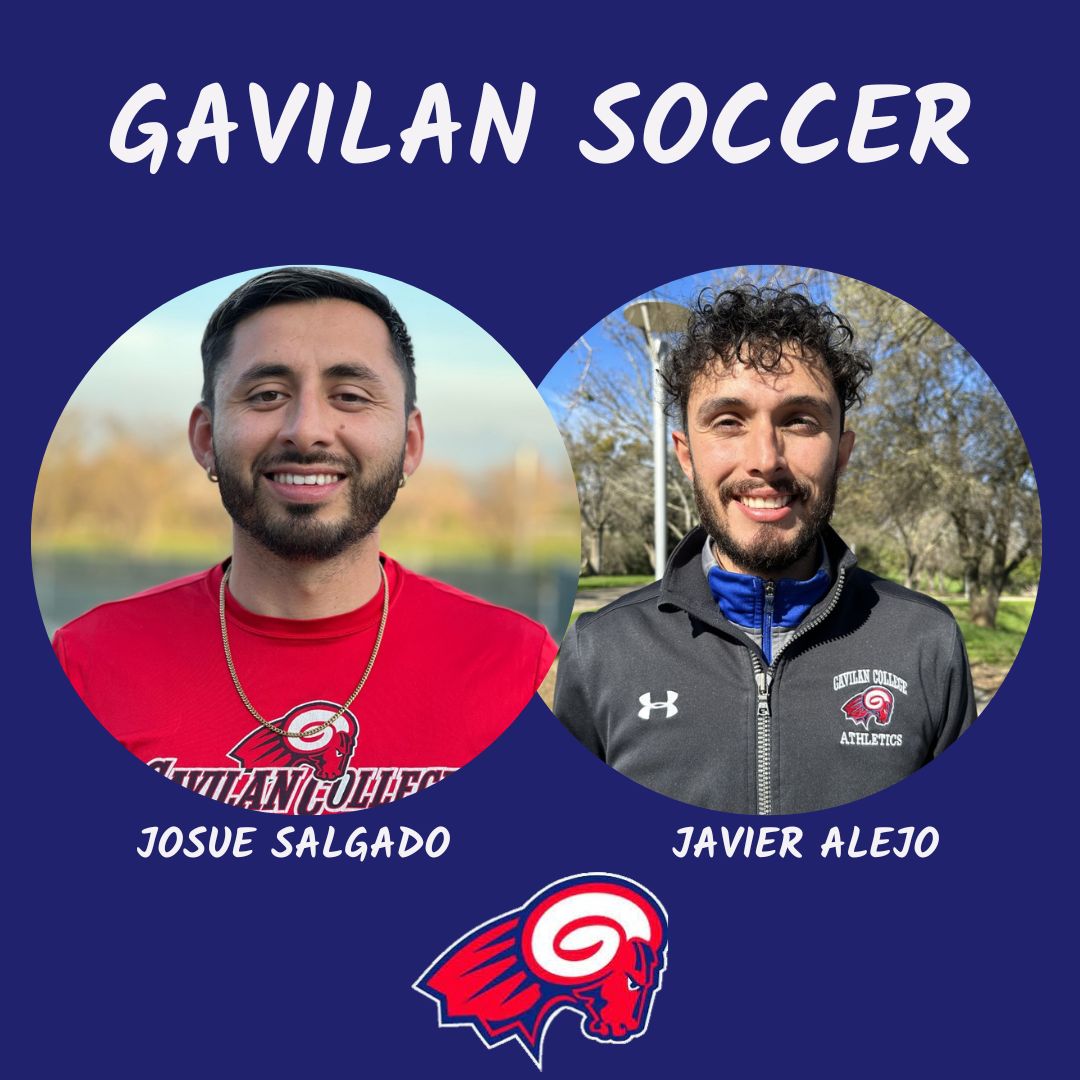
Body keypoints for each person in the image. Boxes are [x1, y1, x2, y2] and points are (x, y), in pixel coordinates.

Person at [53, 267, 557, 814]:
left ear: (410, 444)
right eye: (267, 394)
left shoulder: (523, 668)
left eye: (350, 396)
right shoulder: (85, 663)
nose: (307, 428)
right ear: (205, 439)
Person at [554, 284, 975, 814]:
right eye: (728, 420)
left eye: (800, 420)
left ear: (842, 452)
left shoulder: (927, 642)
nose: (765, 459)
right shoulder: (600, 649)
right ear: (686, 454)